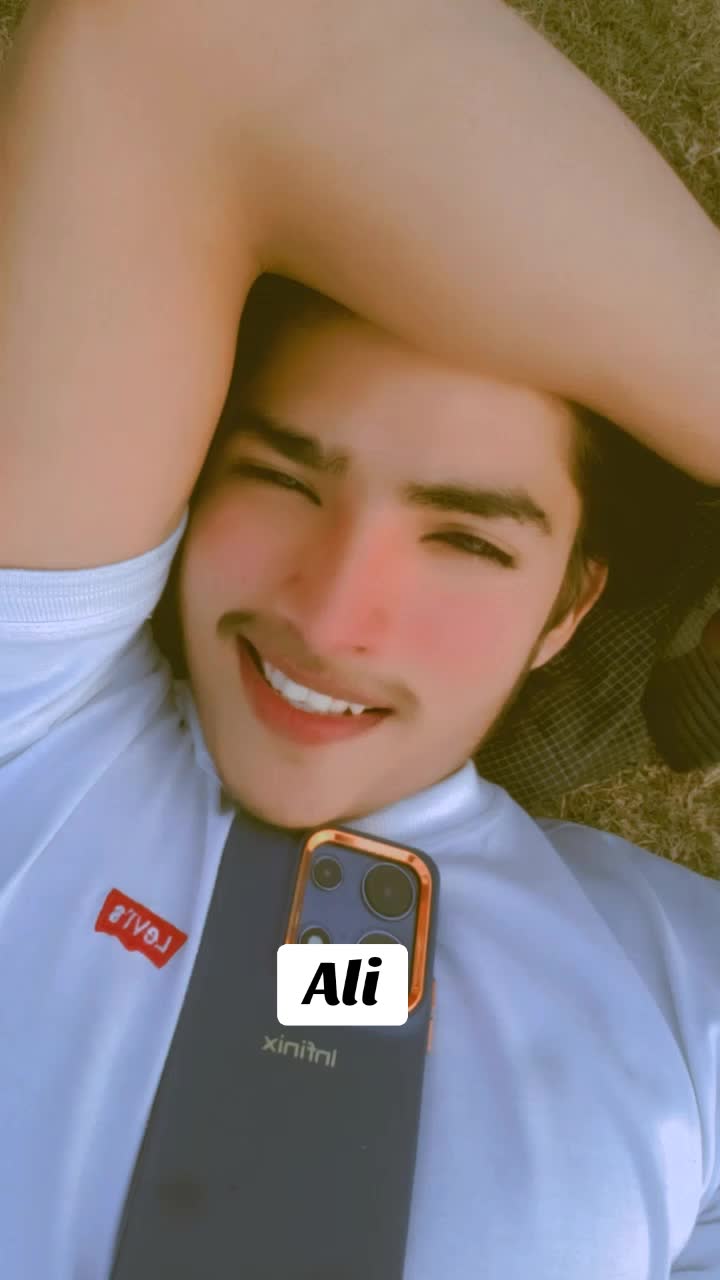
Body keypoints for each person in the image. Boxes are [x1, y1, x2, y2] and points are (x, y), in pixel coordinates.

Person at [2, 0, 720, 1277]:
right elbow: (169, 41)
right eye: (282, 478)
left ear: (568, 608)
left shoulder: (677, 985)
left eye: (467, 542)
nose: (332, 617)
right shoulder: (29, 708)